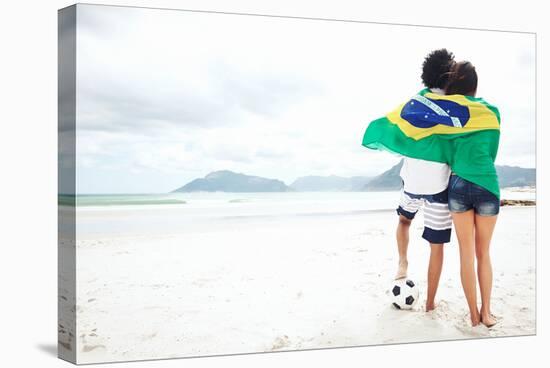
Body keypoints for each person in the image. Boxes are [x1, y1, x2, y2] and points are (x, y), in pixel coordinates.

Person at [395, 49, 454, 312]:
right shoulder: (458, 105)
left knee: (404, 221)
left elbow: (400, 132)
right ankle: (430, 304)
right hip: (439, 185)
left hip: (412, 180)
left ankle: (402, 262)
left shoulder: (413, 104)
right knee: (436, 245)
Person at [444, 61, 500, 327]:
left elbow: (444, 150)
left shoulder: (449, 114)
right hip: (486, 182)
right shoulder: (492, 112)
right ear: (476, 86)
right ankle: (487, 312)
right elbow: (492, 152)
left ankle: (473, 315)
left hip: (458, 184)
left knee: (466, 253)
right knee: (483, 253)